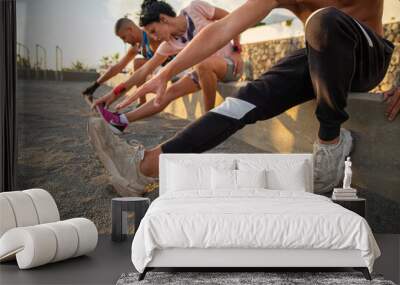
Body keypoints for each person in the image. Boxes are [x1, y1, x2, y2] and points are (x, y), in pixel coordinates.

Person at [120, 0, 394, 194]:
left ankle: (330, 140)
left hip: (368, 56)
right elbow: (222, 29)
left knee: (324, 19)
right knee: (245, 99)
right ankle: (152, 162)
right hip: (320, 55)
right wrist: (166, 73)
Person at [92, 0, 243, 134]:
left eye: (153, 31)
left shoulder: (195, 8)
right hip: (203, 72)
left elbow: (232, 19)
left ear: (163, 19)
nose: (154, 37)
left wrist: (237, 50)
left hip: (230, 65)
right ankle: (121, 121)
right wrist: (112, 94)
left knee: (203, 64)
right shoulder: (169, 44)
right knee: (169, 91)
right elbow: (142, 72)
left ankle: (209, 121)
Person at [82, 17, 162, 106]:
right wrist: (94, 86)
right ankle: (141, 102)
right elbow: (118, 67)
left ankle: (141, 101)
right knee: (137, 63)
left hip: (173, 64)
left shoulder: (150, 34)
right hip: (159, 66)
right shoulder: (136, 47)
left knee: (138, 62)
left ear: (130, 29)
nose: (124, 41)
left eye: (124, 37)